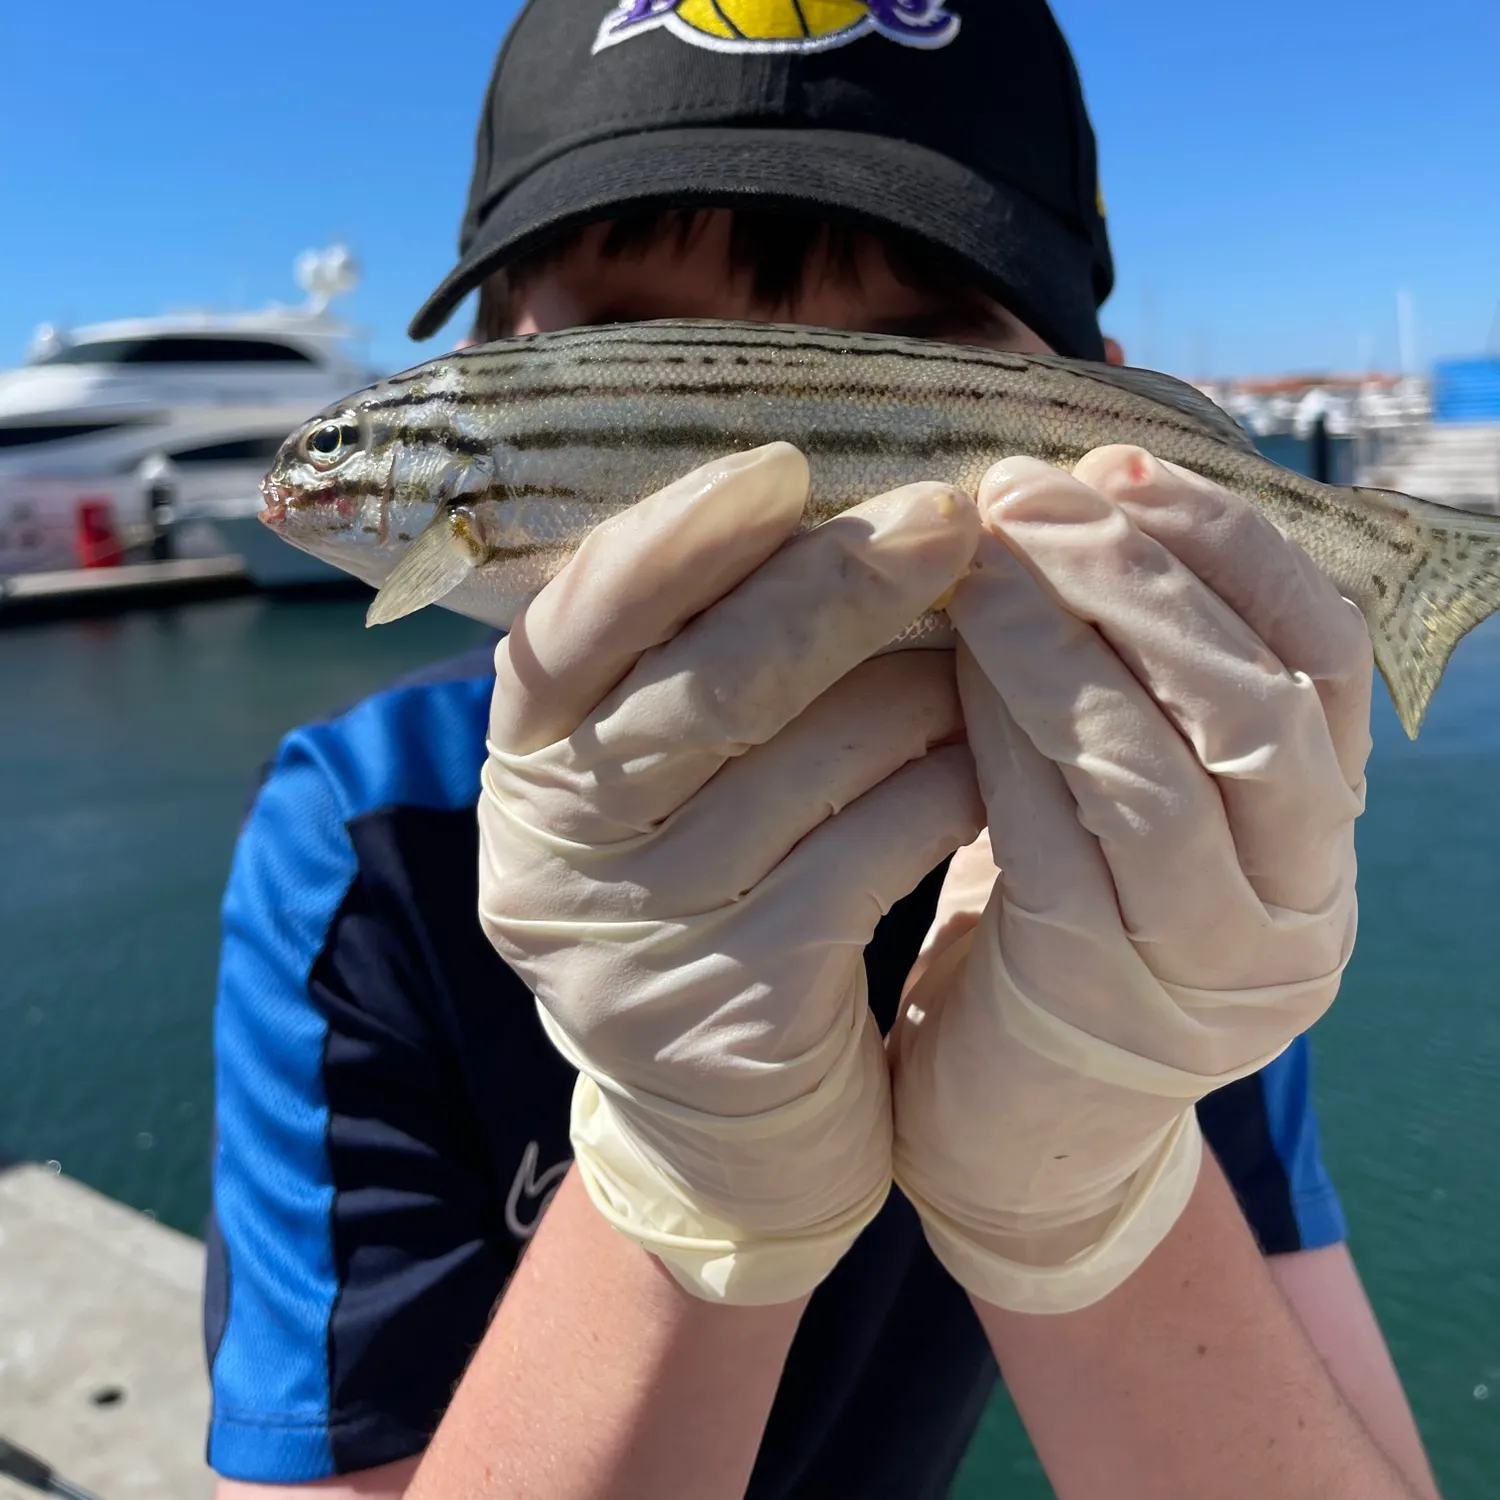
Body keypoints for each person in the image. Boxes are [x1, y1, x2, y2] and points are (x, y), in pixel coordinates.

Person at [206, 2, 1439, 1497]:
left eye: (914, 362)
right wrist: (677, 1188)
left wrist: (1090, 1192)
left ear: (1113, 405)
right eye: (639, 350)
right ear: (491, 360)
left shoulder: (1165, 873)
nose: (764, 459)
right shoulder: (368, 843)